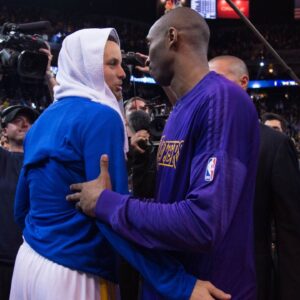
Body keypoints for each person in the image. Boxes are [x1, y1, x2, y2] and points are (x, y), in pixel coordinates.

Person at [11, 28, 230, 300]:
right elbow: (113, 219)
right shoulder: (102, 117)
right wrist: (178, 283)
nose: (123, 73)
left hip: (27, 263)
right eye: (111, 64)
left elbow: (20, 209)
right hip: (75, 275)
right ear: (87, 67)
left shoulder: (42, 121)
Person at [67, 7, 259, 299]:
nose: (145, 55)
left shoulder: (223, 100)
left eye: (148, 43)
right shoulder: (183, 106)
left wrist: (107, 203)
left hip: (212, 287)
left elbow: (202, 222)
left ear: (172, 37)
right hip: (174, 285)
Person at [208, 55, 300, 300]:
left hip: (254, 283)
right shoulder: (200, 140)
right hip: (202, 282)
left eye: (216, 79)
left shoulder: (275, 145)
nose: (210, 88)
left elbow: (290, 234)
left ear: (243, 82)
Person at [0, 105, 38, 300]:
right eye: (17, 120)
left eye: (29, 121)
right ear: (4, 130)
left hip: (35, 256)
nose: (24, 124)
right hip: (3, 257)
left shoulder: (42, 163)